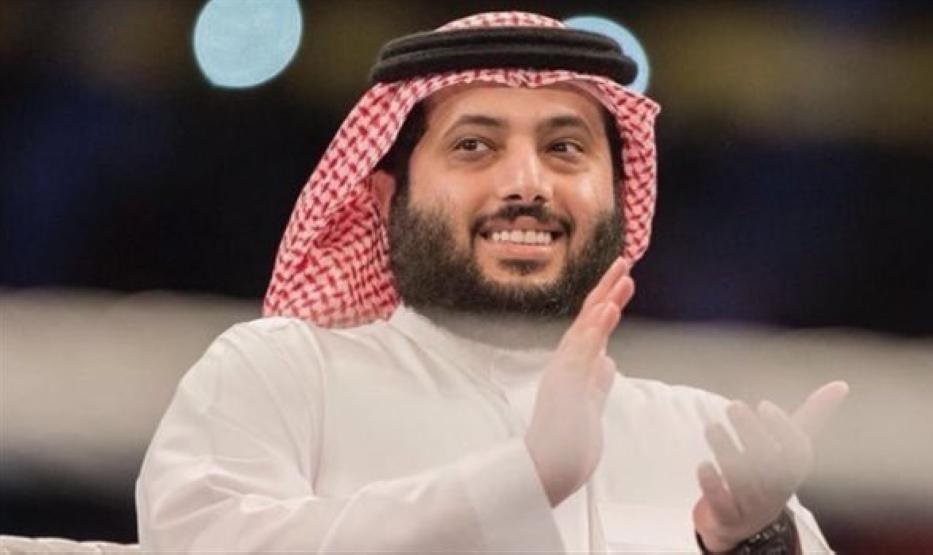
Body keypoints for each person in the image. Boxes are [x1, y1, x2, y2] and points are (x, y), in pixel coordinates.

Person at [136, 11, 848, 554]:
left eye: (564, 148)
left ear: (620, 197)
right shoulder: (284, 374)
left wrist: (750, 544)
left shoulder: (700, 439)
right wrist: (523, 478)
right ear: (386, 198)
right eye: (474, 146)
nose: (526, 183)